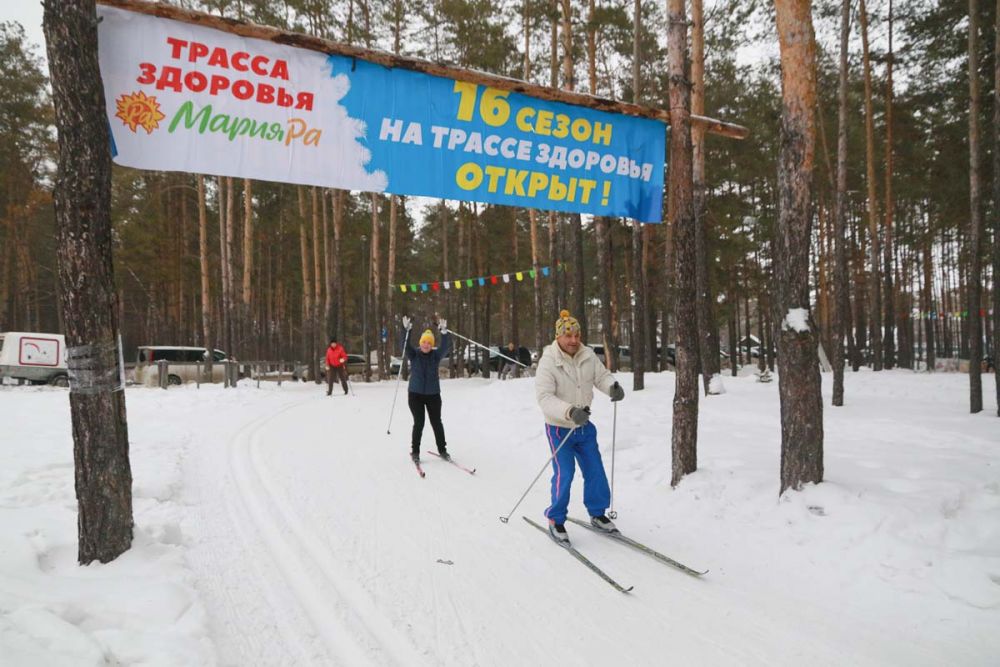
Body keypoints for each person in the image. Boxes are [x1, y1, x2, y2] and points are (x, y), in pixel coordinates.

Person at [535, 309, 625, 546]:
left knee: (594, 469)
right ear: (558, 337)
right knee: (565, 473)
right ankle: (555, 519)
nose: (573, 340)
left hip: (584, 426)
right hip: (559, 427)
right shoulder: (548, 362)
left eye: (576, 335)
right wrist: (569, 412)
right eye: (568, 336)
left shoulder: (587, 355)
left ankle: (597, 513)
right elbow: (545, 398)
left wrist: (612, 386)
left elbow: (601, 376)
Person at [402, 316, 450, 463]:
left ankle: (442, 450)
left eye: (429, 343)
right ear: (420, 342)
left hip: (433, 395)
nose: (426, 345)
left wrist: (444, 333)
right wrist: (406, 331)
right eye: (424, 342)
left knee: (436, 422)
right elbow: (403, 346)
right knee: (419, 422)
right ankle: (415, 451)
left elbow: (445, 348)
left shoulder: (435, 356)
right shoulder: (414, 354)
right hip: (415, 394)